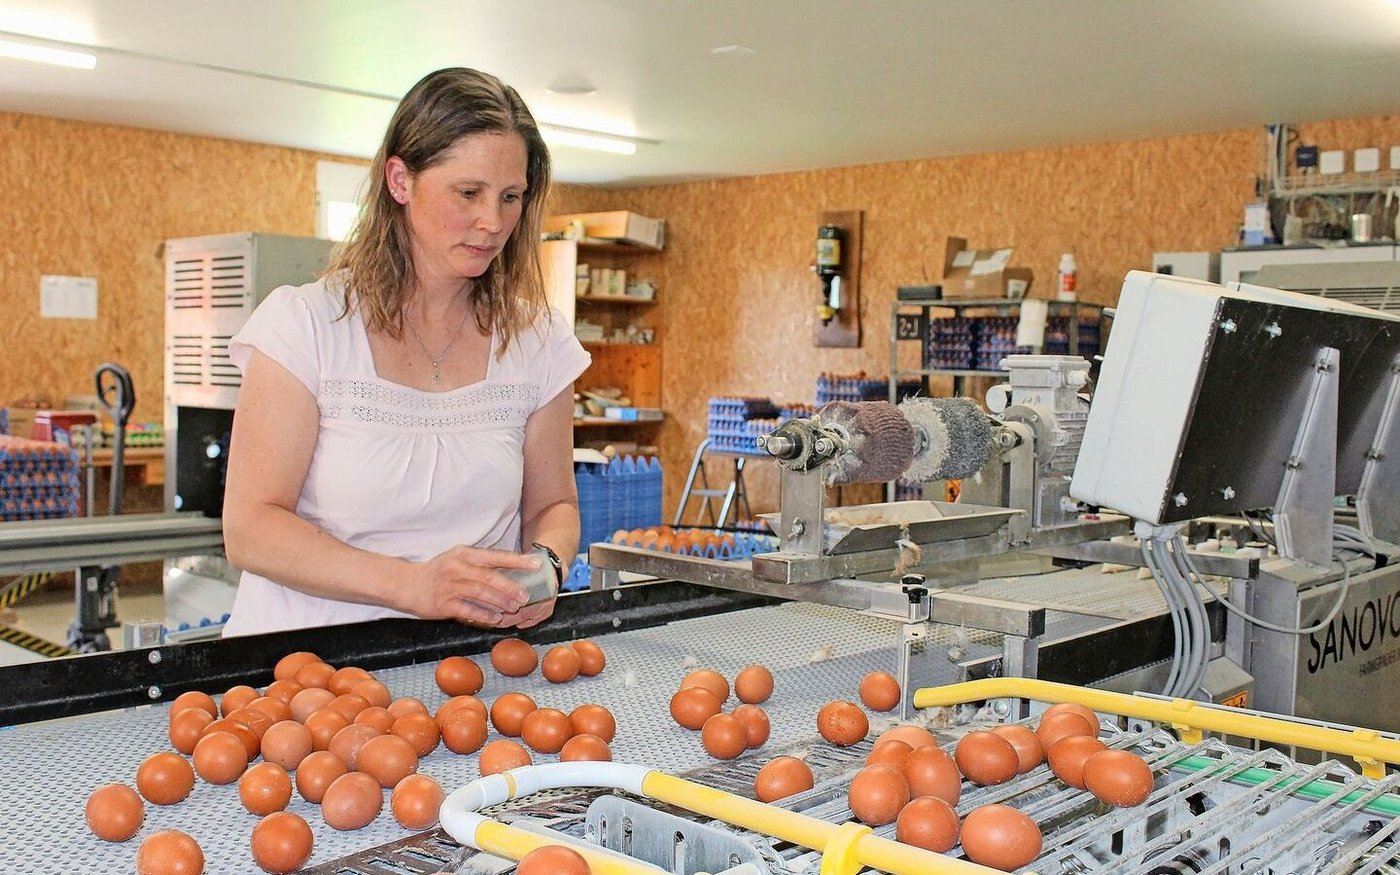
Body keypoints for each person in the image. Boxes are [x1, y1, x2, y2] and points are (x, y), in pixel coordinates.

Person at [220, 68, 588, 636]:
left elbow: (553, 504)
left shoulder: (537, 341)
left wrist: (546, 566)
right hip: (304, 667)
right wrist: (413, 585)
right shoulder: (306, 326)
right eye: (468, 193)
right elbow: (251, 527)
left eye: (510, 197)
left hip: (463, 668)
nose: (493, 223)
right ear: (400, 180)